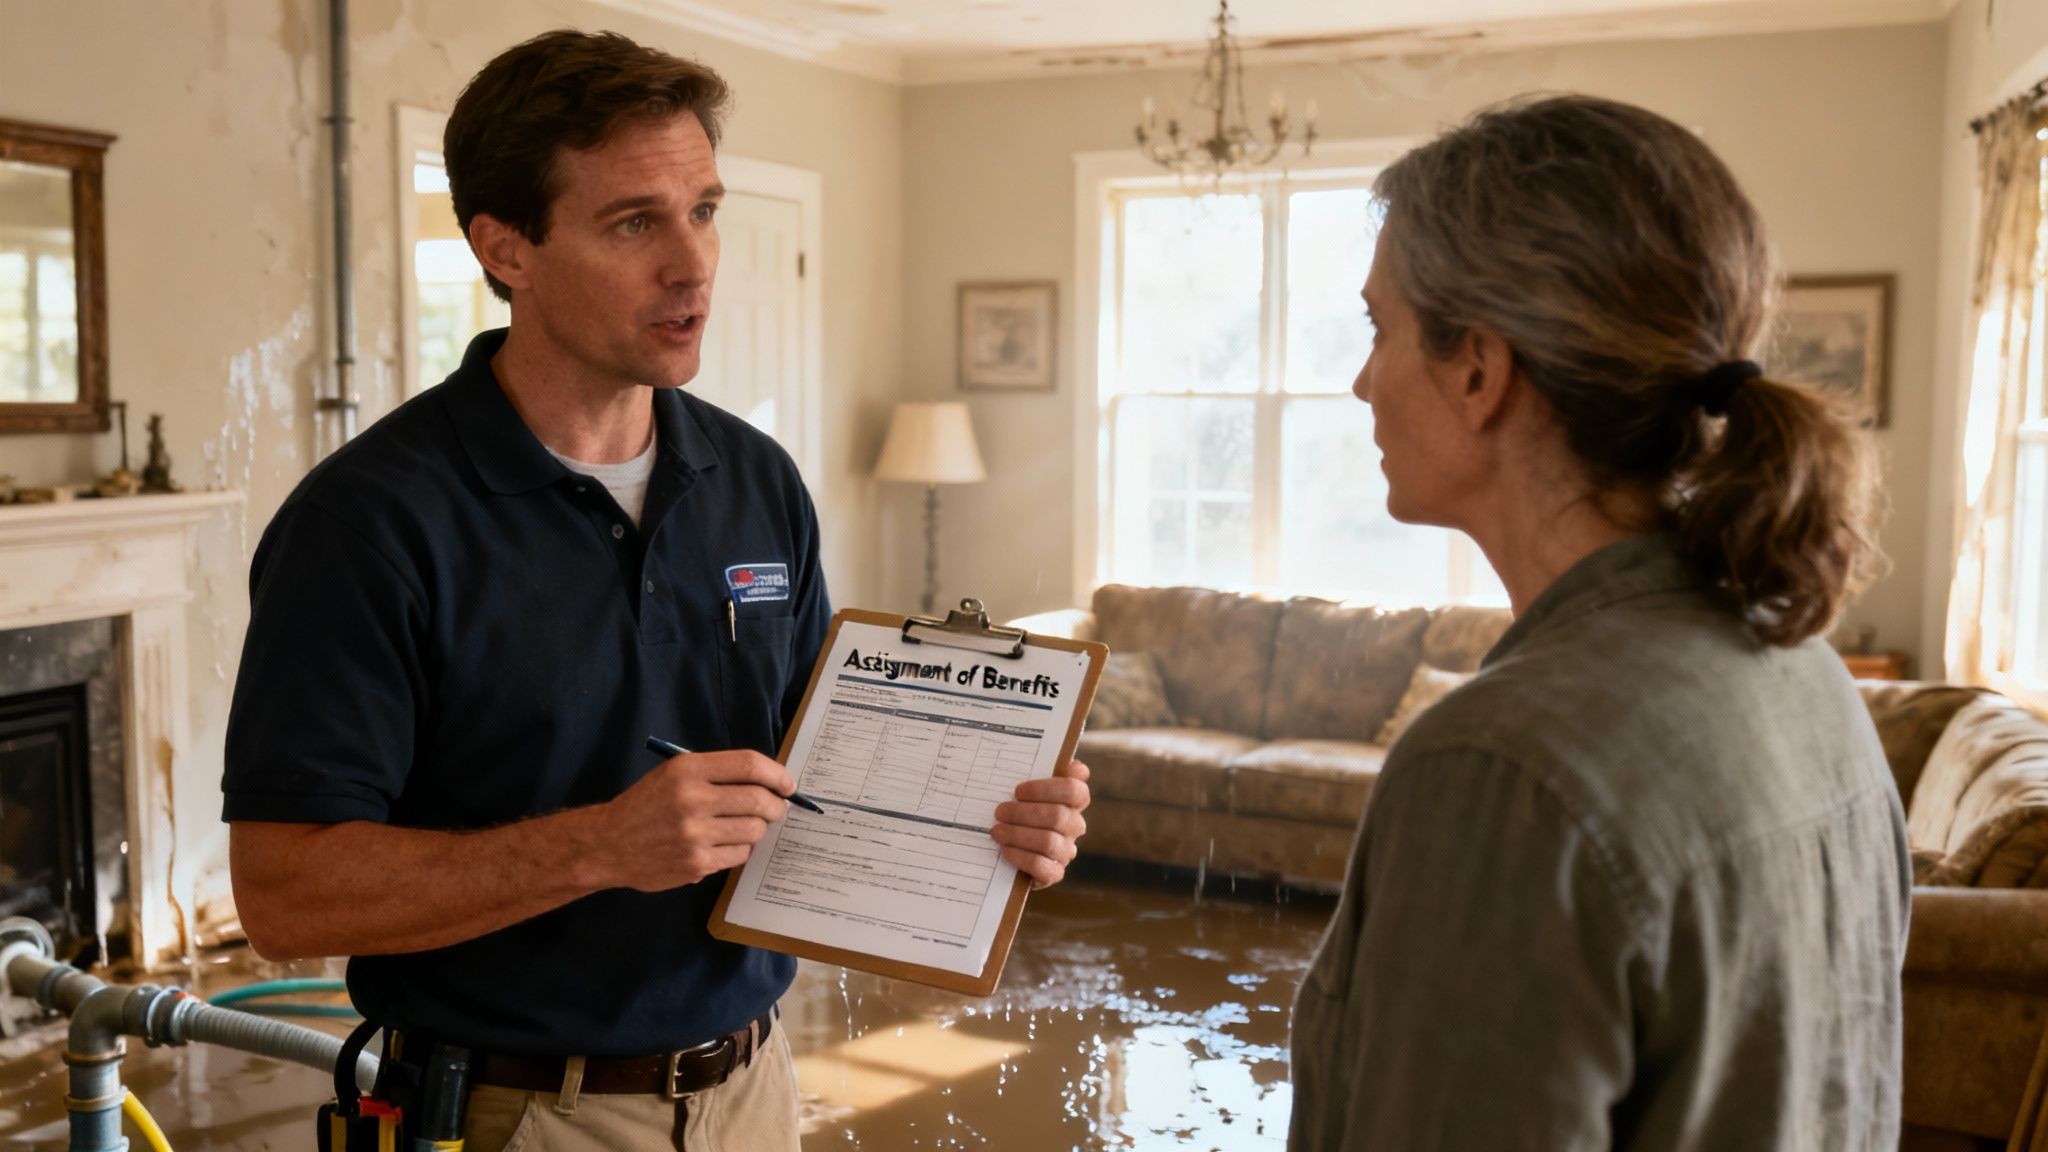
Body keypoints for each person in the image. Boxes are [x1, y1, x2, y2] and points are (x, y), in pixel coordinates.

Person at [221, 29, 1090, 1151]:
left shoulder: (754, 476)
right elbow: (285, 895)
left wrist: (985, 820)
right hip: (516, 1113)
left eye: (706, 210)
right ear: (507, 248)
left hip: (754, 1088)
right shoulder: (370, 522)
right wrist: (596, 847)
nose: (693, 264)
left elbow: (811, 773)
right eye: (635, 222)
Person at [1289, 95, 1910, 1150]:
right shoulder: (1801, 669)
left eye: (1376, 328)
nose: (1359, 381)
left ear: (1478, 371)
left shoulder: (1498, 770)